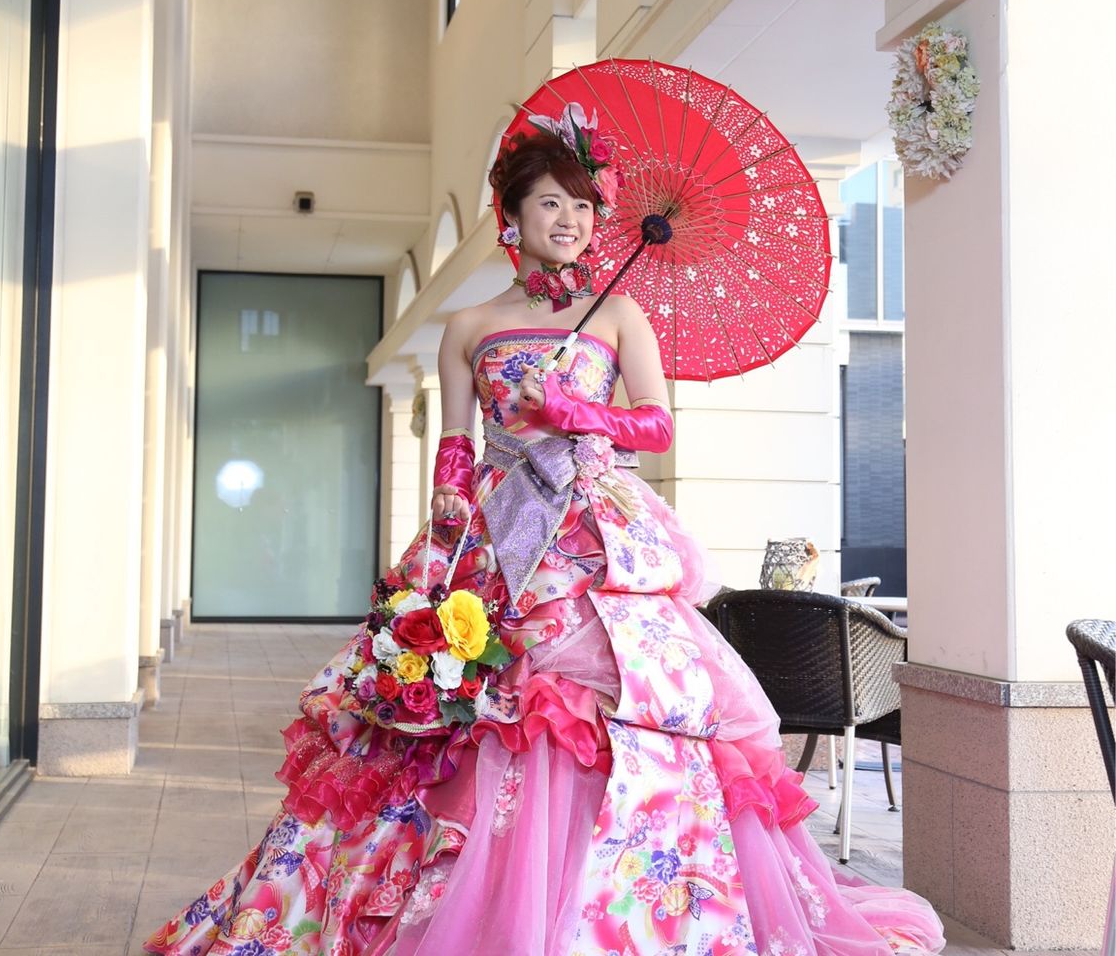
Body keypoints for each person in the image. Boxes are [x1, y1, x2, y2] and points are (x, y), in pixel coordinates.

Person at [145, 128, 944, 955]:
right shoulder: (469, 325)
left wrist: (575, 412)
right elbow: (456, 448)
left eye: (584, 206)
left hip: (593, 531)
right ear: (511, 215)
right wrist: (445, 520)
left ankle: (619, 908)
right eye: (552, 203)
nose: (570, 220)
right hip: (496, 534)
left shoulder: (619, 314)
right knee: (470, 698)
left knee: (609, 703)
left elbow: (656, 425)